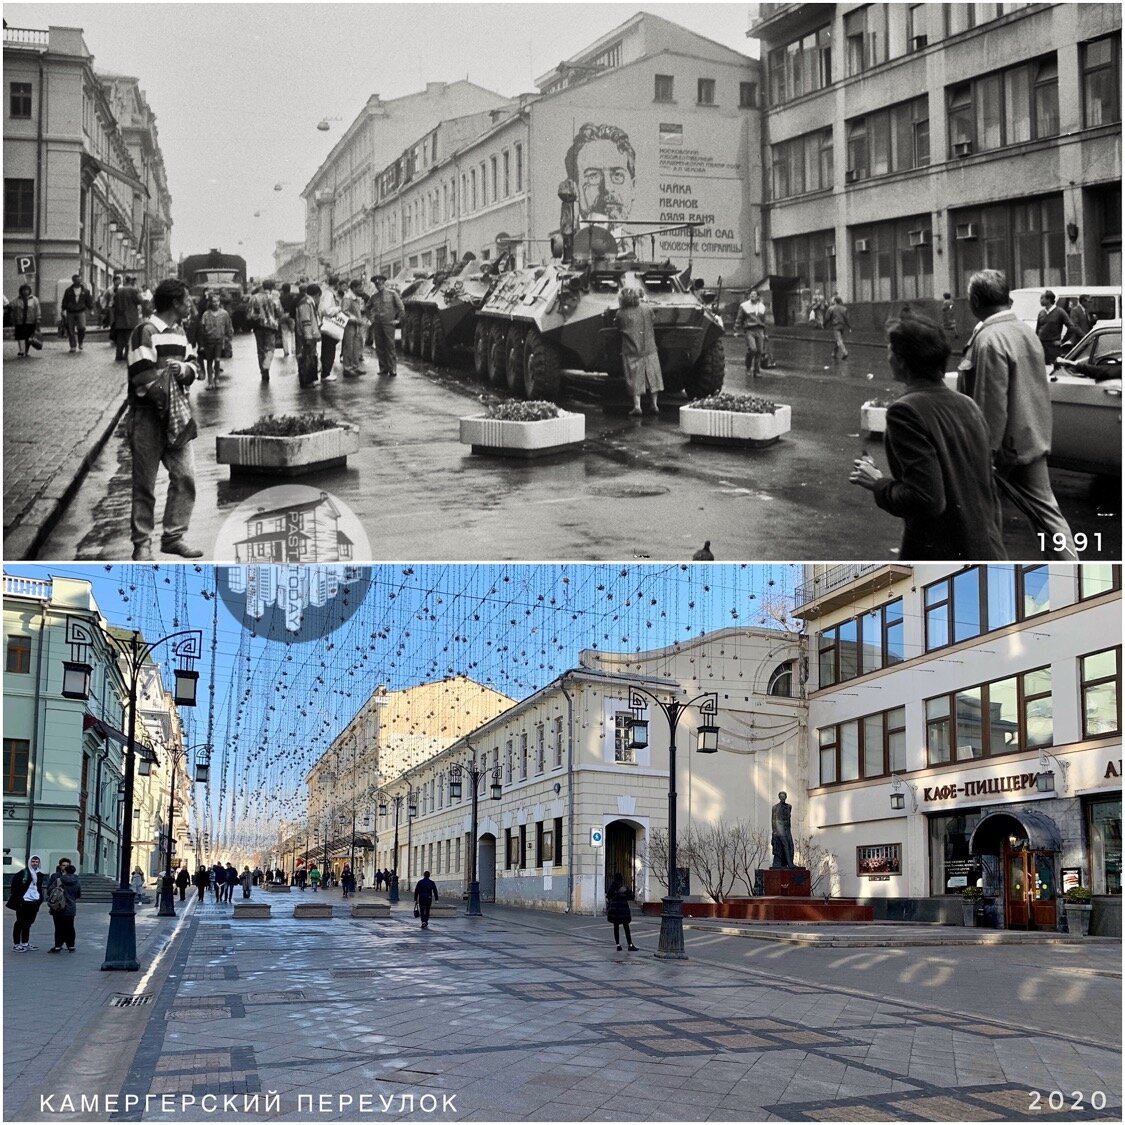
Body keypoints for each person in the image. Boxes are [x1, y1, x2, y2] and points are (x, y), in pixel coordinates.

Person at [849, 314, 1005, 559]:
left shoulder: (905, 411)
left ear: (902, 361)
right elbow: (989, 491)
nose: (887, 356)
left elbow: (926, 500)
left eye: (891, 350)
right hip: (987, 550)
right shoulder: (969, 406)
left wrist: (878, 483)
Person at [958, 269, 1077, 559]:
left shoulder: (990, 339)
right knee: (1048, 517)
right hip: (1031, 437)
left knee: (984, 517)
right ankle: (1073, 573)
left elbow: (991, 405)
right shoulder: (1025, 331)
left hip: (1004, 448)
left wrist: (986, 453)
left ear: (975, 301)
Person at [126, 278, 202, 562]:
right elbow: (142, 377)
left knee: (185, 477)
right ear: (175, 303)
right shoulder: (144, 332)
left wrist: (183, 369)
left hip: (177, 417)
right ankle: (141, 545)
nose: (190, 304)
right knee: (144, 484)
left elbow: (195, 367)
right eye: (187, 300)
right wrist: (169, 380)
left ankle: (173, 537)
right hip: (147, 417)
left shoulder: (181, 333)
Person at [564, 123, 636, 224]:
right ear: (574, 190)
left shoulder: (644, 240)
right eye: (593, 176)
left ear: (633, 187)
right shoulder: (558, 240)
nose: (607, 187)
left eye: (617, 175)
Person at [616, 287, 663, 416]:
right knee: (653, 376)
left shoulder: (621, 313)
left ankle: (637, 406)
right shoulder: (647, 308)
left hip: (632, 350)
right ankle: (654, 404)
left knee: (634, 377)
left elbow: (618, 326)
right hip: (649, 348)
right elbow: (653, 320)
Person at [367, 275, 405, 376]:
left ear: (384, 283)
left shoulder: (392, 294)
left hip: (389, 323)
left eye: (380, 284)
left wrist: (398, 320)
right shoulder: (374, 297)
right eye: (376, 285)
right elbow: (367, 307)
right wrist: (370, 318)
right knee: (379, 346)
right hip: (378, 324)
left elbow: (401, 308)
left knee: (390, 346)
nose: (378, 286)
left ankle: (392, 369)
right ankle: (383, 368)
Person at [246, 279, 282, 381]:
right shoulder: (274, 298)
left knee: (260, 349)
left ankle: (263, 371)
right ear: (272, 287)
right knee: (270, 347)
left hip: (257, 326)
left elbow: (249, 313)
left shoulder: (254, 298)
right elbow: (279, 312)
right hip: (270, 326)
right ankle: (266, 366)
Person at [8, 855, 45, 951]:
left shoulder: (39, 874)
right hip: (23, 901)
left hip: (34, 901)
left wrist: (40, 899)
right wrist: (19, 899)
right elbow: (15, 886)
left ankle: (25, 942)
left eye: (37, 862)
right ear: (29, 862)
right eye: (33, 862)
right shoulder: (23, 873)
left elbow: (39, 887)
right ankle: (16, 944)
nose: (35, 863)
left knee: (28, 923)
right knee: (20, 922)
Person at [198, 292, 233, 387]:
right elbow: (202, 329)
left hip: (219, 340)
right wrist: (201, 344)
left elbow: (228, 327)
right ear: (210, 303)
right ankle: (210, 381)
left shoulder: (224, 313)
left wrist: (228, 339)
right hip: (209, 341)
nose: (216, 303)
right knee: (209, 360)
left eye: (217, 301)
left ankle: (216, 377)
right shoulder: (206, 314)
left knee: (217, 359)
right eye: (214, 302)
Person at [46, 861, 81, 953]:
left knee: (58, 927)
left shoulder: (59, 880)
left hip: (58, 907)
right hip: (71, 907)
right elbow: (78, 894)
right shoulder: (77, 881)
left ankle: (58, 946)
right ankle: (71, 946)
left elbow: (50, 891)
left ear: (65, 871)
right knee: (70, 927)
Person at [735, 290, 768, 378]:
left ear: (758, 296)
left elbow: (764, 321)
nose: (752, 296)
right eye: (751, 294)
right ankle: (748, 367)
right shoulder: (744, 306)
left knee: (760, 351)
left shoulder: (762, 307)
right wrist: (736, 330)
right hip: (749, 330)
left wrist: (765, 334)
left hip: (760, 330)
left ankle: (756, 371)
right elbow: (739, 318)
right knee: (753, 349)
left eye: (754, 295)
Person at [1035, 289, 1072, 365]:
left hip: (1053, 347)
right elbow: (1037, 330)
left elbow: (1071, 327)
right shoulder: (1041, 313)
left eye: (1042, 298)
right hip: (1041, 347)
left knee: (1053, 367)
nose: (1040, 300)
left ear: (1048, 299)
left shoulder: (1060, 312)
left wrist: (1063, 341)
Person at [295, 284, 322, 387]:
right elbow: (306, 321)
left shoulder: (307, 302)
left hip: (310, 335)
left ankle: (310, 380)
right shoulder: (306, 303)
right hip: (307, 336)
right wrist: (308, 337)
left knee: (310, 356)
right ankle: (307, 381)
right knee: (307, 357)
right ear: (317, 294)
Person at [340, 279, 368, 377]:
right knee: (349, 346)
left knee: (357, 346)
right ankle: (347, 368)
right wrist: (356, 320)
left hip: (356, 326)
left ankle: (355, 366)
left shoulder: (356, 297)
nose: (362, 289)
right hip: (349, 326)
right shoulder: (348, 297)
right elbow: (344, 312)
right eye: (360, 287)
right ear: (354, 288)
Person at [61, 274, 95, 353]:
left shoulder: (85, 291)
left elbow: (89, 301)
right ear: (73, 281)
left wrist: (91, 310)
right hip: (70, 312)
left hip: (81, 311)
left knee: (82, 328)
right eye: (77, 280)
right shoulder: (68, 291)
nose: (79, 281)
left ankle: (80, 342)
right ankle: (73, 346)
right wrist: (63, 310)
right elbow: (65, 301)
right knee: (70, 329)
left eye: (80, 279)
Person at [113, 275, 143, 361]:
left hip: (119, 318)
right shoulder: (133, 290)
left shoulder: (118, 290)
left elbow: (115, 302)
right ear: (131, 281)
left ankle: (118, 355)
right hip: (131, 317)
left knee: (120, 338)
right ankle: (127, 355)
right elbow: (140, 300)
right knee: (129, 337)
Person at [605, 872, 638, 952]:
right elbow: (631, 896)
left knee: (616, 928)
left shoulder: (612, 887)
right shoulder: (624, 887)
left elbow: (608, 896)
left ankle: (618, 945)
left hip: (615, 911)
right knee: (626, 928)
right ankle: (630, 945)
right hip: (623, 910)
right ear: (621, 879)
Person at [318, 281, 343, 382]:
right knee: (329, 349)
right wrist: (338, 309)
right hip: (329, 324)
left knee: (327, 348)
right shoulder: (329, 294)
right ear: (336, 284)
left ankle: (325, 370)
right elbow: (327, 310)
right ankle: (326, 372)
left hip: (326, 324)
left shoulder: (325, 293)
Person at [11, 284, 40, 357]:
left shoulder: (34, 299)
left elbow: (37, 309)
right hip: (20, 321)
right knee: (20, 336)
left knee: (28, 337)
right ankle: (21, 350)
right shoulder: (16, 300)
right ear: (21, 291)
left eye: (27, 290)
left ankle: (26, 351)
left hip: (30, 320)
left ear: (29, 291)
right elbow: (12, 308)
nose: (25, 292)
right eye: (23, 290)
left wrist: (38, 318)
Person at [770, 792, 795, 869]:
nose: (782, 798)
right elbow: (773, 820)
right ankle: (790, 864)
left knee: (791, 845)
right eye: (781, 796)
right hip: (779, 828)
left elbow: (788, 818)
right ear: (779, 797)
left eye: (784, 796)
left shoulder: (789, 807)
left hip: (787, 828)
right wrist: (774, 831)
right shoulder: (775, 807)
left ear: (786, 797)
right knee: (786, 845)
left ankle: (789, 862)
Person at [823, 294, 851, 361]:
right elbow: (846, 319)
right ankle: (834, 353)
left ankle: (845, 352)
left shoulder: (831, 308)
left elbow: (827, 318)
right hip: (842, 326)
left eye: (833, 300)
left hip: (836, 326)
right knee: (837, 339)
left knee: (839, 340)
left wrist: (824, 324)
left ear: (835, 301)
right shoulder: (844, 308)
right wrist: (849, 327)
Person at [278, 282, 298, 358]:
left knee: (284, 334)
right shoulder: (293, 296)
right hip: (291, 315)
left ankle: (286, 351)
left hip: (283, 315)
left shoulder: (280, 297)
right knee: (293, 333)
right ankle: (294, 349)